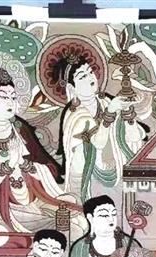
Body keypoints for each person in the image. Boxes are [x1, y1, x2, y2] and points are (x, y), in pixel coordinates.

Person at [0, 61, 84, 246]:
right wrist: (3, 170)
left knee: (78, 220)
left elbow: (50, 167)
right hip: (3, 204)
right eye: (2, 96)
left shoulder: (20, 127)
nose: (9, 102)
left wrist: (30, 167)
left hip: (35, 195)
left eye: (13, 97)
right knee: (50, 227)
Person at [54, 54, 147, 201]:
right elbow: (98, 143)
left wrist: (127, 112)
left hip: (114, 167)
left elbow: (134, 138)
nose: (90, 78)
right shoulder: (75, 115)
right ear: (72, 88)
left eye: (90, 72)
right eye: (82, 76)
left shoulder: (105, 102)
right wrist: (110, 112)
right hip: (88, 178)